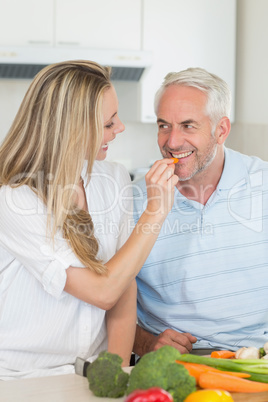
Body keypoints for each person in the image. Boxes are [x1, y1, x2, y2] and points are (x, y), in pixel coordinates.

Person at [0, 60, 178, 379]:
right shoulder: (15, 198)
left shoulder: (113, 178)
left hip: (89, 373)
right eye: (109, 123)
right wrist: (155, 212)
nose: (120, 128)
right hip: (18, 378)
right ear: (72, 130)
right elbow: (102, 291)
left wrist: (116, 373)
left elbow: (123, 285)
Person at [132, 67, 268, 358]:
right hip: (167, 363)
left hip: (254, 361)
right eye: (163, 125)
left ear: (221, 130)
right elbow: (107, 302)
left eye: (188, 126)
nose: (172, 142)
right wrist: (146, 343)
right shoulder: (133, 199)